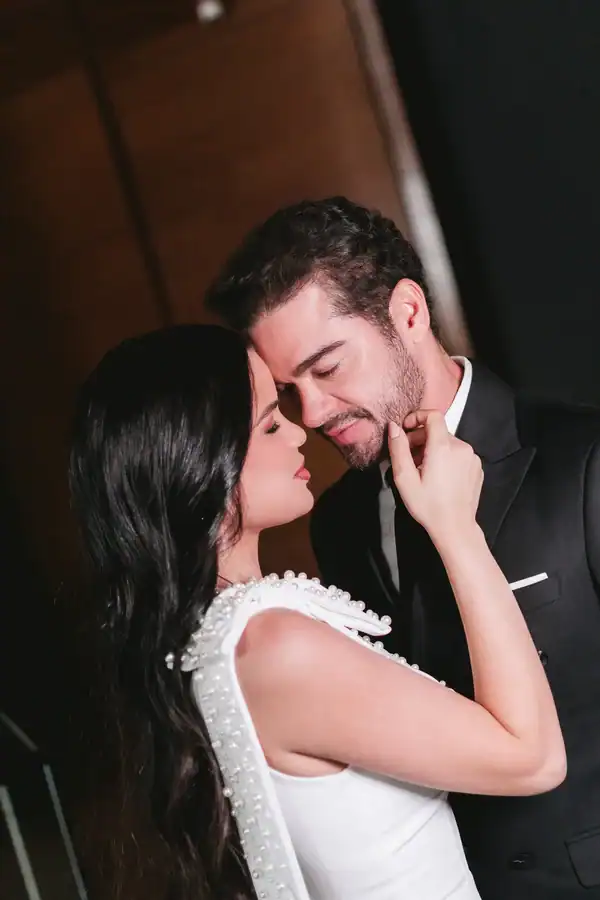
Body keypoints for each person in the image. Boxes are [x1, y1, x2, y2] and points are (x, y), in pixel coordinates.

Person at [69, 324, 564, 900]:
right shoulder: (276, 647)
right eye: (269, 423)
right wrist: (456, 528)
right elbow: (532, 760)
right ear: (199, 463)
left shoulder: (223, 638)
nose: (298, 431)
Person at [205, 196, 600, 900]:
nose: (313, 413)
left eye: (328, 367)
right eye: (290, 393)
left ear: (408, 313)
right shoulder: (338, 523)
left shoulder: (585, 461)